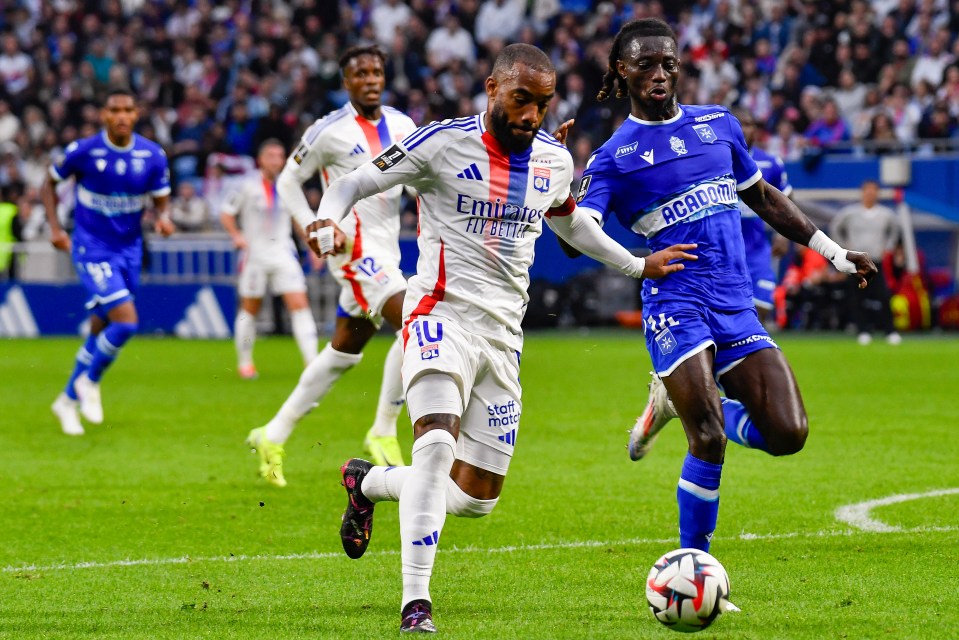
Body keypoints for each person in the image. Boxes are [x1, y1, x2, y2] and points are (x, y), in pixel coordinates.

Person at [305, 43, 696, 634]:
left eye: (541, 104)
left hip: (502, 339)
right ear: (492, 88)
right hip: (438, 316)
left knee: (473, 498)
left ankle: (367, 482)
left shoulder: (552, 160)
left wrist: (639, 265)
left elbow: (573, 228)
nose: (531, 115)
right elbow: (353, 184)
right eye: (520, 100)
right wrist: (326, 219)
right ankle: (417, 604)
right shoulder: (441, 143)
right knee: (435, 447)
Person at [576, 20, 876, 555]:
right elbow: (580, 237)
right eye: (645, 63)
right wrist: (637, 265)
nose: (660, 73)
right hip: (676, 304)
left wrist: (835, 252)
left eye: (668, 62)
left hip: (736, 304)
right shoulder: (614, 158)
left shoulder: (719, 125)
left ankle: (672, 401)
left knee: (788, 433)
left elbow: (764, 199)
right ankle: (695, 565)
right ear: (622, 72)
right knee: (708, 438)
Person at [245, 46, 417, 486]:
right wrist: (316, 226)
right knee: (416, 321)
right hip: (354, 251)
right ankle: (382, 430)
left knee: (344, 352)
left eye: (376, 71)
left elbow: (420, 183)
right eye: (360, 73)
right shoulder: (328, 131)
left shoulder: (403, 125)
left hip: (387, 250)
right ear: (346, 82)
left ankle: (272, 432)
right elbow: (288, 180)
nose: (371, 79)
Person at [44, 87, 173, 436]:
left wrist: (163, 218)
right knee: (126, 322)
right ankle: (90, 382)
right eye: (114, 109)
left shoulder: (152, 155)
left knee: (102, 326)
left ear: (136, 114)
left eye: (127, 109)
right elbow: (49, 183)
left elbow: (162, 199)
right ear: (104, 114)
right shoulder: (84, 151)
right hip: (91, 247)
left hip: (129, 250)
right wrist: (56, 228)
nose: (121, 116)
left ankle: (67, 400)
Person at [219, 138, 319, 381]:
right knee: (249, 310)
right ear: (261, 159)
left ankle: (312, 364)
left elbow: (299, 219)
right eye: (272, 156)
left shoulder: (289, 185)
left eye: (280, 156)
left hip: (283, 253)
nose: (277, 161)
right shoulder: (246, 185)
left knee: (299, 304)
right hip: (255, 255)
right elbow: (226, 213)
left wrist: (312, 248)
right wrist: (237, 235)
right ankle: (245, 363)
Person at [733, 109, 793, 324]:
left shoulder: (770, 163)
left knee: (762, 307)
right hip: (725, 252)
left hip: (758, 251)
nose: (745, 129)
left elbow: (786, 198)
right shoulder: (715, 162)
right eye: (740, 124)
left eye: (749, 124)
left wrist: (784, 235)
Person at [830, 179, 901, 345]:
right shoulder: (850, 213)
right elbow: (835, 227)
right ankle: (863, 330)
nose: (870, 194)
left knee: (884, 296)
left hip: (876, 261)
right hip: (856, 262)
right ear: (862, 193)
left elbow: (895, 230)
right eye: (867, 191)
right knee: (857, 297)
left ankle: (890, 331)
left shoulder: (886, 214)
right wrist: (843, 247)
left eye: (873, 191)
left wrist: (888, 247)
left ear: (877, 194)